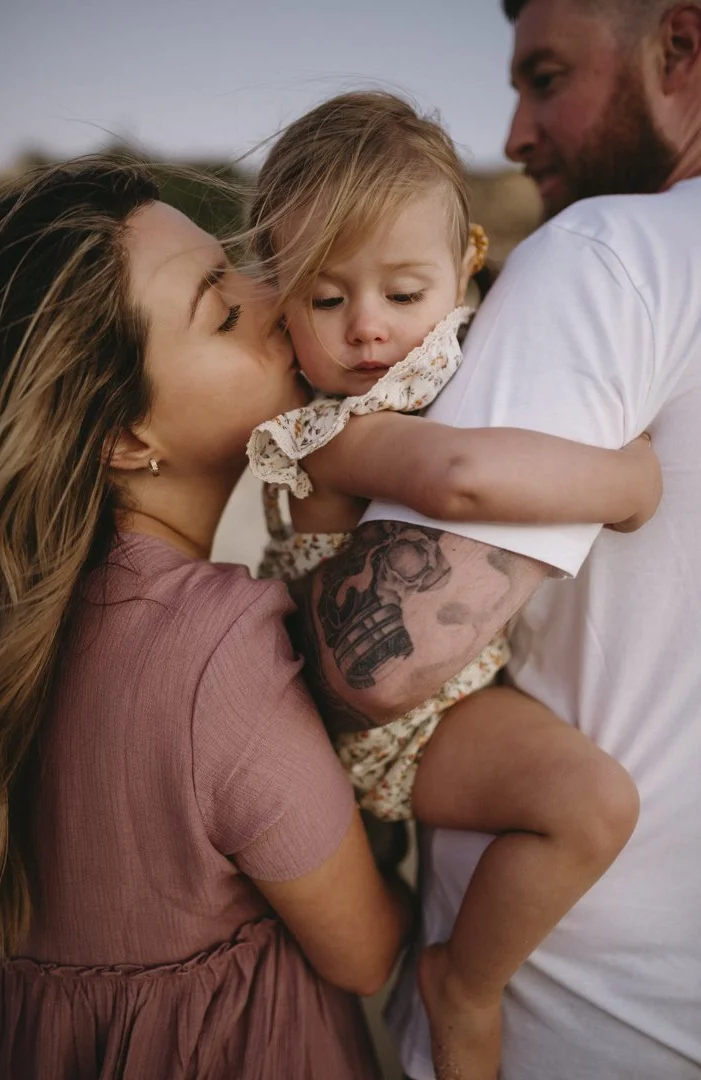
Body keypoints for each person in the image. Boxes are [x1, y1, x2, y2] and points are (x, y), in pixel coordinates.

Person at [291, 4, 701, 1079]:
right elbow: (459, 478)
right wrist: (624, 481)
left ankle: (452, 980)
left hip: (590, 1008)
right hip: (416, 729)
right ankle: (462, 985)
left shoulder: (605, 264)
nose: (366, 328)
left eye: (547, 75)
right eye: (324, 298)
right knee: (587, 803)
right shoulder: (331, 424)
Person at [0, 158, 412, 1080]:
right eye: (221, 311)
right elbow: (366, 952)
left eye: (239, 267)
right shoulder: (214, 649)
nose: (277, 295)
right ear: (123, 438)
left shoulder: (25, 621)